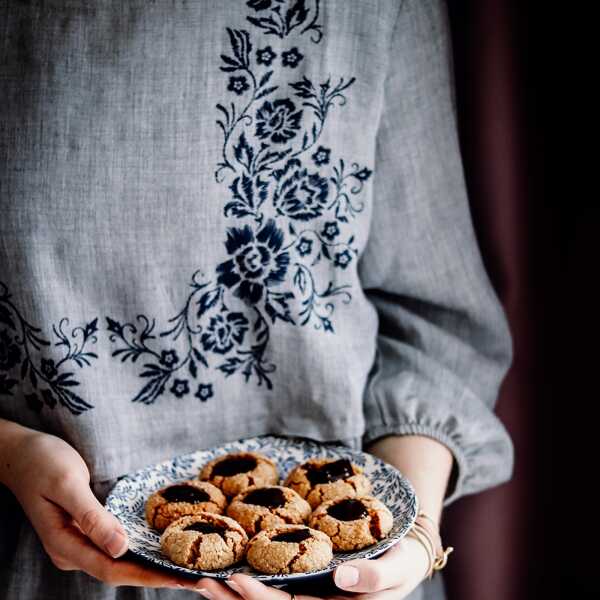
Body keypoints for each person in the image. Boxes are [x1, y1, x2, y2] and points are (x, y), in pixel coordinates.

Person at [0, 1, 514, 599]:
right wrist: (10, 453)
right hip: (46, 567)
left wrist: (414, 538)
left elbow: (430, 329)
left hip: (341, 583)